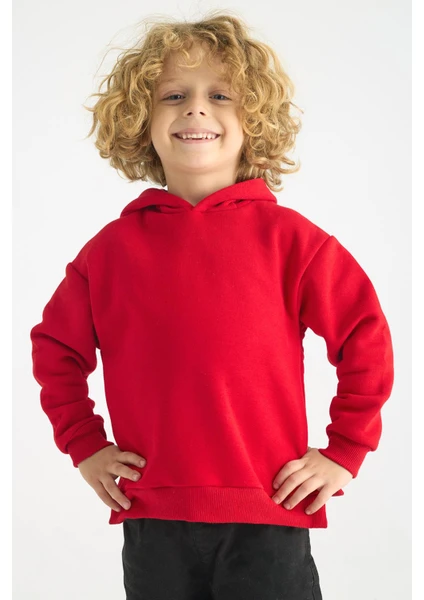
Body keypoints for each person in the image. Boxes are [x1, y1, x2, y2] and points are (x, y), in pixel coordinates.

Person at [29, 9, 394, 600]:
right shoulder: (111, 251)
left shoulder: (293, 241)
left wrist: (345, 450)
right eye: (174, 95)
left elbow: (365, 336)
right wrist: (85, 444)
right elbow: (54, 347)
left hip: (269, 508)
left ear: (254, 120)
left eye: (220, 95)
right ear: (140, 119)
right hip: (153, 515)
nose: (196, 109)